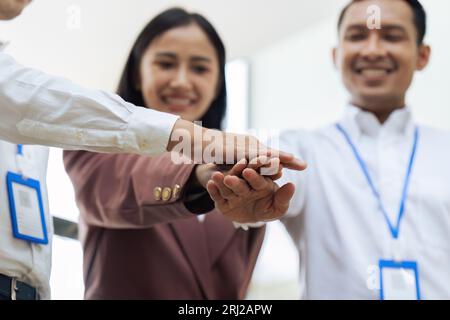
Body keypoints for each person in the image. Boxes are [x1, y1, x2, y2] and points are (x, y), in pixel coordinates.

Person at [0, 1, 303, 300]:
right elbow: (119, 189)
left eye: (200, 67)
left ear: (217, 83)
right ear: (137, 73)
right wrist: (199, 171)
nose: (182, 81)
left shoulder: (240, 173)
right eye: (166, 63)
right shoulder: (93, 144)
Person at [208, 0, 450, 299]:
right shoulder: (301, 149)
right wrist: (252, 192)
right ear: (336, 56)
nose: (372, 50)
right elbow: (275, 180)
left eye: (391, 36)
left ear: (422, 55)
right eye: (357, 36)